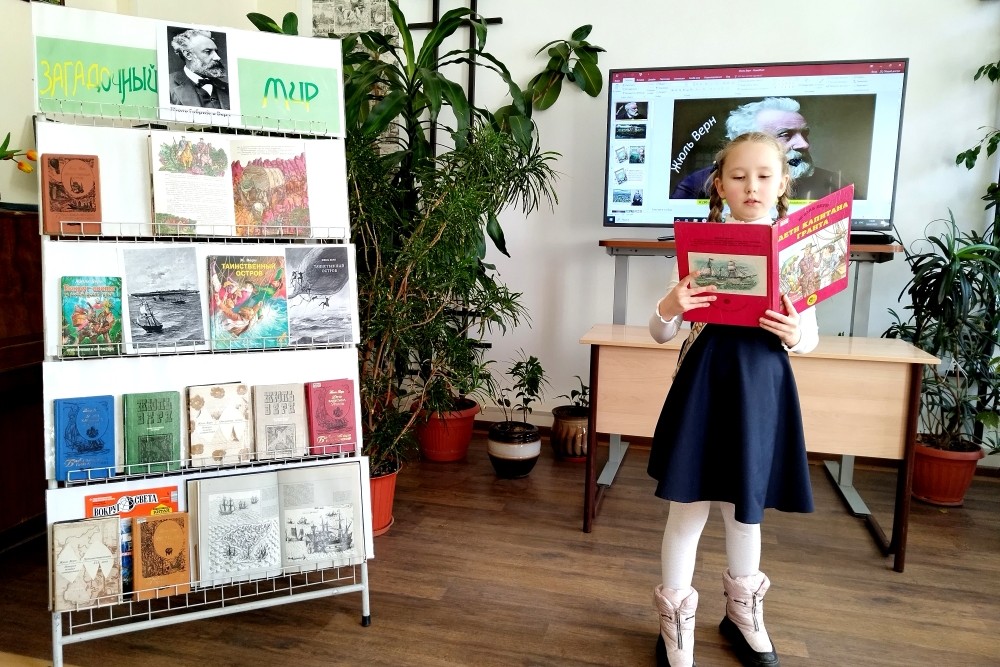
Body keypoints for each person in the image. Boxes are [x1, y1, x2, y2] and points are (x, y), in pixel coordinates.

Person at [648, 131, 819, 667]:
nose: (752, 186)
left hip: (762, 395)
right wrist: (670, 305)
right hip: (704, 389)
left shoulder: (796, 248)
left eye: (765, 176)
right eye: (739, 176)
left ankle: (743, 615)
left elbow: (810, 338)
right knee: (688, 507)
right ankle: (675, 627)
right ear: (719, 185)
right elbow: (661, 332)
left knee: (746, 512)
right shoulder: (700, 246)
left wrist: (795, 332)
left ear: (783, 182)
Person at [671, 97, 841, 200]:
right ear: (746, 141)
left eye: (805, 134)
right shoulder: (695, 185)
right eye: (785, 135)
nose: (804, 144)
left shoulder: (833, 182)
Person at [168, 29, 230, 109]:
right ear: (188, 55)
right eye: (208, 51)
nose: (217, 57)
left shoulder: (227, 88)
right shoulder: (167, 84)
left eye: (216, 52)